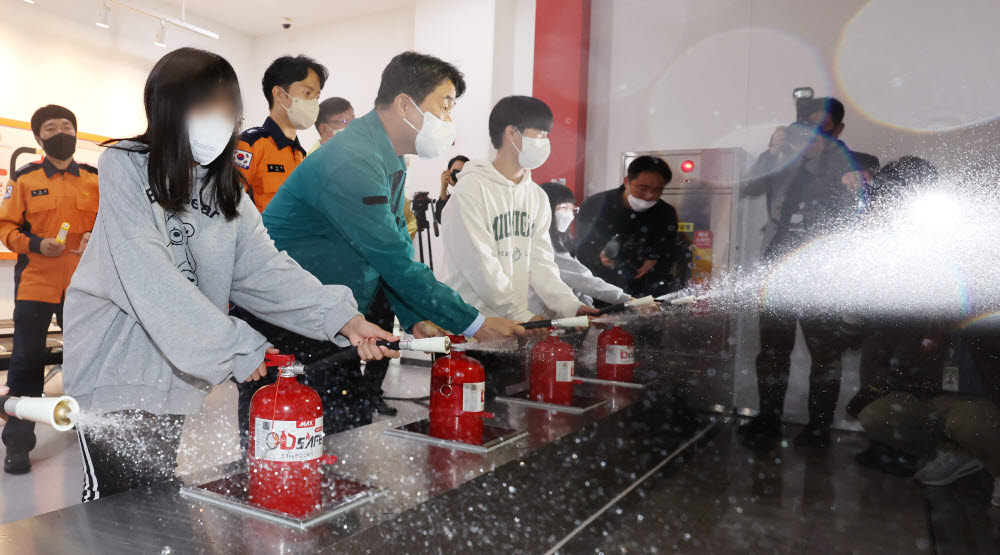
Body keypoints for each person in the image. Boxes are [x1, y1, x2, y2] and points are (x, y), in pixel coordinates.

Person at [61, 48, 397, 501]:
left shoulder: (227, 191)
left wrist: (342, 317)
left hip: (174, 372)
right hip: (116, 367)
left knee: (153, 497)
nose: (217, 120)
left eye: (226, 108)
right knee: (114, 508)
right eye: (203, 106)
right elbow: (146, 273)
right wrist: (234, 344)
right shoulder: (126, 165)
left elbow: (265, 269)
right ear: (167, 108)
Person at [259, 51, 525, 428]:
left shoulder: (387, 157)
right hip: (289, 315)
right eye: (444, 107)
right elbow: (393, 258)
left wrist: (416, 318)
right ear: (405, 105)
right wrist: (474, 323)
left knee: (340, 425)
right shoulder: (354, 159)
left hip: (331, 313)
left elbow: (396, 242)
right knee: (284, 431)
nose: (449, 121)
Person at [440, 96, 598, 394]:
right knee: (464, 422)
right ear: (512, 134)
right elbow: (481, 267)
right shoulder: (471, 191)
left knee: (505, 420)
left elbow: (541, 264)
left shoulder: (535, 196)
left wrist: (570, 306)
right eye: (540, 134)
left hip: (512, 330)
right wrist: (522, 315)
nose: (545, 142)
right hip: (471, 330)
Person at [739, 98, 867, 448]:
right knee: (772, 352)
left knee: (825, 356)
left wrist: (850, 169)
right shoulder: (784, 159)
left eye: (821, 125)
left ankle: (819, 430)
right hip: (778, 269)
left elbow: (867, 171)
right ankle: (767, 420)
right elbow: (749, 186)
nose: (812, 132)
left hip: (821, 276)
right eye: (805, 124)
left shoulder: (845, 160)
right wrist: (771, 151)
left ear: (837, 129)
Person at [0, 105, 99, 474]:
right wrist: (37, 245)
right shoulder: (23, 180)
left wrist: (94, 237)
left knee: (88, 362)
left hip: (84, 289)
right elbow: (5, 228)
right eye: (51, 127)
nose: (61, 132)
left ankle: (91, 434)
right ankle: (18, 444)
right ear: (38, 137)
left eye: (68, 126)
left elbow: (112, 224)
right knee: (26, 365)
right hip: (35, 286)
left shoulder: (94, 179)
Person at [575, 155, 678, 299]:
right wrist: (599, 258)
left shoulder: (665, 213)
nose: (649, 195)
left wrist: (653, 260)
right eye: (643, 188)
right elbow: (581, 250)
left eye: (657, 190)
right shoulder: (596, 205)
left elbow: (667, 250)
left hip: (645, 292)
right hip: (599, 290)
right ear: (627, 181)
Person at [236, 55, 327, 212]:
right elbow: (228, 208)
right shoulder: (250, 146)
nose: (313, 103)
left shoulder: (300, 155)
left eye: (316, 97)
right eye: (307, 93)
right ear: (279, 94)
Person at [528, 182, 632, 317]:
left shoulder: (562, 241)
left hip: (560, 316)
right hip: (540, 317)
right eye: (563, 207)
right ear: (543, 208)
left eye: (572, 209)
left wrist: (589, 309)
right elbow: (584, 280)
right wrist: (627, 300)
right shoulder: (543, 244)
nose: (569, 215)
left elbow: (578, 286)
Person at [433, 154, 468, 224]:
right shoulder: (449, 198)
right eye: (456, 172)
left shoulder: (475, 195)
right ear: (448, 173)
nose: (458, 176)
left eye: (463, 173)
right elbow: (440, 218)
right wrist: (443, 187)